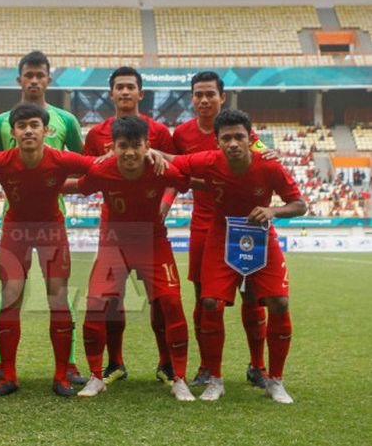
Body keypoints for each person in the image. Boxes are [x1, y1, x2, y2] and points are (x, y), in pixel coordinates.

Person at [164, 108, 307, 403]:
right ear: (217, 141)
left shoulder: (269, 167)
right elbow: (174, 161)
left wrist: (273, 211)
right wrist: (145, 150)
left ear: (249, 138)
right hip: (222, 237)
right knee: (210, 302)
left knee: (279, 302)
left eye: (239, 137)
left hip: (262, 238)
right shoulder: (208, 161)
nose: (232, 143)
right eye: (226, 138)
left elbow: (299, 205)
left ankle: (275, 381)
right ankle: (215, 380)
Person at [0, 103, 96, 397]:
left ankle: (62, 374)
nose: (28, 131)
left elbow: (98, 169)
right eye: (21, 126)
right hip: (16, 231)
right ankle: (8, 375)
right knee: (10, 299)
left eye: (34, 125)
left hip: (51, 230)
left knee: (58, 298)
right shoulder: (0, 160)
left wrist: (73, 187)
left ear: (46, 130)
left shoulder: (60, 159)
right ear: (13, 132)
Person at [65, 115, 195, 401]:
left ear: (147, 145)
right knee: (96, 305)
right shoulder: (103, 169)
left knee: (172, 302)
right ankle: (96, 376)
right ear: (112, 146)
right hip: (115, 245)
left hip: (153, 243)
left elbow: (190, 179)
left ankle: (179, 378)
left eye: (136, 145)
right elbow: (76, 185)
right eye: (123, 146)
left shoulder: (161, 169)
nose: (130, 152)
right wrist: (35, 183)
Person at [0, 50, 86, 386]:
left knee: (58, 294)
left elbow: (85, 167)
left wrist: (58, 183)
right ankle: (4, 367)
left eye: (39, 74)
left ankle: (67, 366)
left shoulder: (66, 121)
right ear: (19, 80)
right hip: (13, 221)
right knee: (9, 293)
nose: (33, 80)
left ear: (48, 79)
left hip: (51, 222)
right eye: (28, 75)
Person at [172, 71, 270, 389]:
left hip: (246, 224)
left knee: (252, 294)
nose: (203, 100)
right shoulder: (183, 135)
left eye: (210, 94)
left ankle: (257, 366)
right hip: (205, 223)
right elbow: (178, 174)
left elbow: (263, 157)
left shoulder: (241, 132)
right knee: (205, 298)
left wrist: (271, 152)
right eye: (198, 94)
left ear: (221, 97)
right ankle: (206, 367)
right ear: (191, 98)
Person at [81, 66, 178, 385]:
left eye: (130, 87)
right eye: (119, 87)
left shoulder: (161, 132)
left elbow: (174, 174)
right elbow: (89, 174)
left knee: (161, 300)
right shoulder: (96, 135)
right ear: (111, 94)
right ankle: (115, 363)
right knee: (109, 299)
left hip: (151, 230)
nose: (124, 92)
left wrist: (164, 205)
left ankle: (166, 364)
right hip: (114, 231)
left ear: (141, 93)